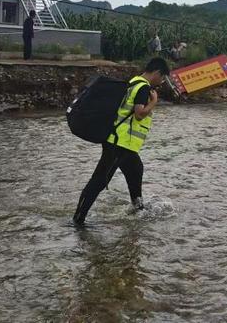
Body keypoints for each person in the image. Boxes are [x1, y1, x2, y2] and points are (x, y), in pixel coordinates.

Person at [73, 57, 171, 226]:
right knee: (100, 180)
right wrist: (154, 102)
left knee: (136, 169)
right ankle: (78, 219)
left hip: (125, 144)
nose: (161, 82)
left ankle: (137, 208)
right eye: (162, 78)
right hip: (119, 143)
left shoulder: (134, 81)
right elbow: (139, 113)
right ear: (156, 73)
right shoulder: (143, 88)